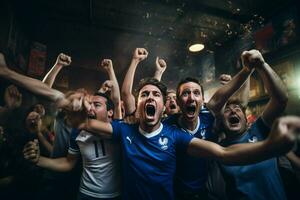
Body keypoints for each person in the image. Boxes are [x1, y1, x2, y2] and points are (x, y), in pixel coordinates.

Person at [24, 77, 296, 200]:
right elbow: (78, 119)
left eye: (156, 95)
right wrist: (70, 106)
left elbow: (223, 154)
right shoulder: (124, 130)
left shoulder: (175, 135)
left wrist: (270, 146)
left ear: (165, 108)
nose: (150, 98)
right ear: (139, 106)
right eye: (145, 95)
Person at [163, 50, 252, 199]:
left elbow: (225, 98)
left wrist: (247, 69)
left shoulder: (208, 117)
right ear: (178, 102)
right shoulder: (167, 126)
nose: (191, 97)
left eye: (196, 93)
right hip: (176, 194)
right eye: (185, 93)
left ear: (202, 100)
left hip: (205, 192)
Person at [217, 49, 289, 200]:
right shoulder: (217, 149)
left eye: (237, 109)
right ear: (220, 121)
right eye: (227, 110)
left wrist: (261, 65)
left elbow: (280, 99)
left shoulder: (259, 130)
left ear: (245, 118)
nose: (232, 112)